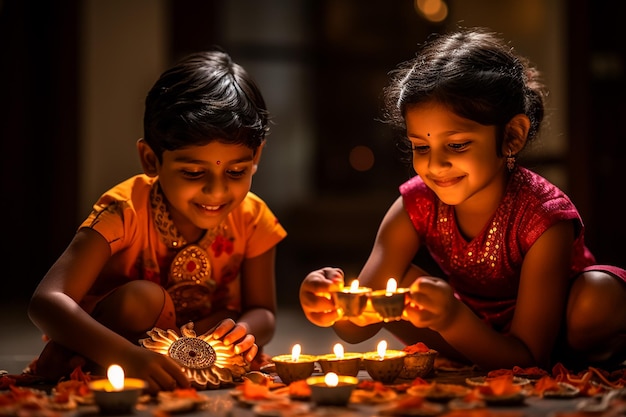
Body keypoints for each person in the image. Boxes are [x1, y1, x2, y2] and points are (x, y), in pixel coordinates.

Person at [299, 27, 626, 372]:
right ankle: (478, 350)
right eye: (421, 147)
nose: (435, 165)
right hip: (472, 326)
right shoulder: (415, 206)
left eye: (456, 145)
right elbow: (353, 329)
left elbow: (530, 360)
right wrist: (331, 304)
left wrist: (452, 318)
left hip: (556, 330)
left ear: (511, 136)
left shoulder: (544, 219)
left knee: (597, 299)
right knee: (399, 286)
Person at [27, 50, 287, 393]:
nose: (216, 191)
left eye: (236, 171)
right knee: (145, 299)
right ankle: (81, 363)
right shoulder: (125, 210)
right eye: (194, 172)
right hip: (115, 345)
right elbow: (46, 302)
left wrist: (242, 331)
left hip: (203, 353)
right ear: (151, 159)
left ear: (256, 157)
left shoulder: (253, 217)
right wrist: (128, 357)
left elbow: (263, 311)